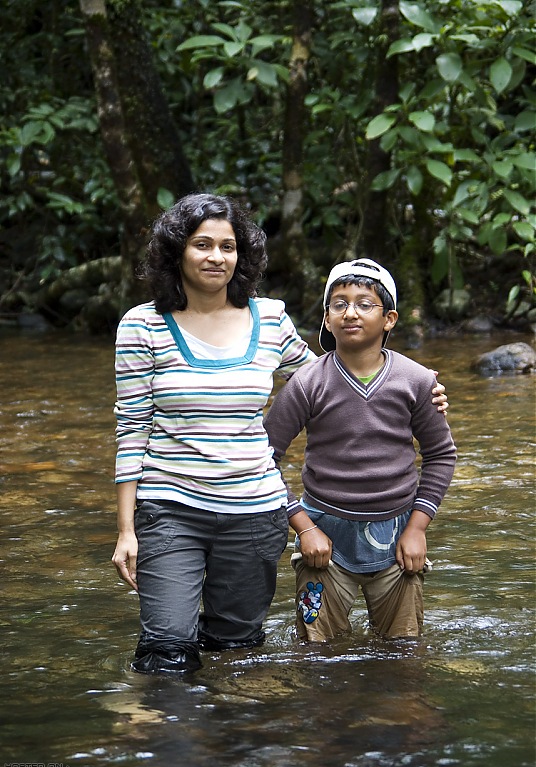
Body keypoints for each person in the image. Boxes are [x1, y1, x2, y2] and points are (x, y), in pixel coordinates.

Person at [112, 195, 449, 674]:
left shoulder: (268, 319)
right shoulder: (141, 325)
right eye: (201, 244)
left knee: (237, 651)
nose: (215, 257)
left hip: (254, 512)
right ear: (177, 252)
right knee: (166, 651)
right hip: (170, 506)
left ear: (241, 255)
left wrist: (417, 391)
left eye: (227, 246)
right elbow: (131, 428)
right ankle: (167, 743)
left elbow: (331, 379)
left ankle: (231, 739)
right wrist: (126, 529)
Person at [263, 259, 456, 642]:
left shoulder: (416, 381)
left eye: (365, 303)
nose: (350, 312)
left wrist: (417, 528)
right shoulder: (307, 383)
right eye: (339, 304)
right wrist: (303, 527)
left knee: (403, 650)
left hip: (398, 539)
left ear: (389, 319)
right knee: (317, 650)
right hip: (323, 540)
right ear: (327, 319)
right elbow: (263, 456)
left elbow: (440, 454)